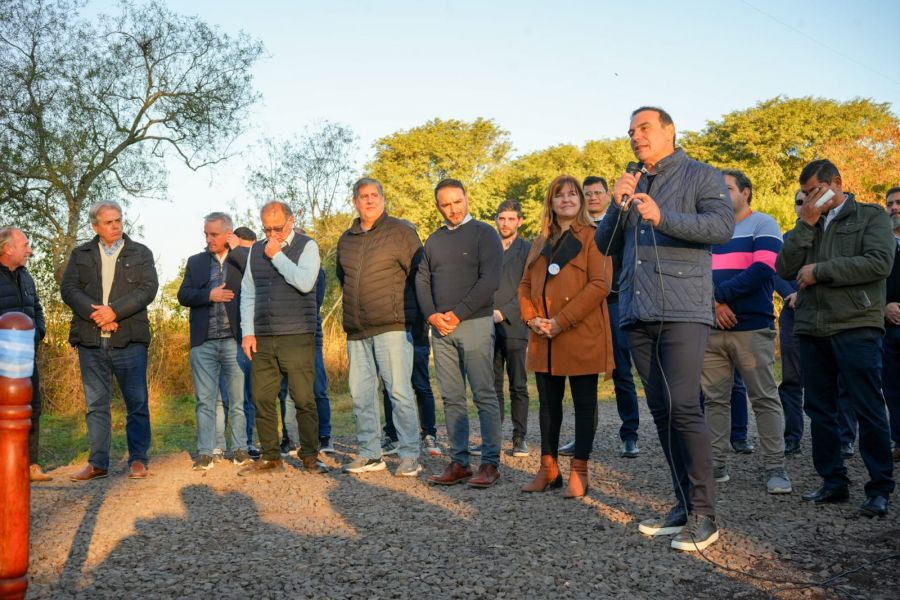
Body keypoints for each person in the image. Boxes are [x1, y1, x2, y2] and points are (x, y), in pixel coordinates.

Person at [595, 107, 733, 551]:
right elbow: (604, 245)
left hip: (683, 309)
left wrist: (662, 216)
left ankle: (705, 515)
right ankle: (683, 505)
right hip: (637, 311)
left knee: (684, 406)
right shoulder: (632, 180)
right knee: (660, 409)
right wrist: (617, 205)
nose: (635, 136)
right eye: (631, 131)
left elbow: (721, 227)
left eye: (644, 128)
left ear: (669, 131)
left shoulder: (701, 175)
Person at [776, 159, 894, 517]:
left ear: (836, 183)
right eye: (805, 193)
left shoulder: (871, 217)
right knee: (819, 408)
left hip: (856, 323)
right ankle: (833, 481)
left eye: (815, 190)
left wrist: (821, 271)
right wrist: (805, 225)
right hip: (812, 327)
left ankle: (879, 487)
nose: (809, 198)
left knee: (867, 406)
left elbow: (879, 263)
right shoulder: (806, 223)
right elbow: (784, 267)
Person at [519, 175, 613, 498]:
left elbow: (600, 285)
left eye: (573, 194)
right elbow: (524, 286)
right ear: (551, 202)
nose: (567, 200)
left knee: (584, 404)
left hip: (580, 333)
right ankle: (548, 469)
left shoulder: (595, 237)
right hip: (543, 336)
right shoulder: (539, 241)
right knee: (548, 405)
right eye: (560, 195)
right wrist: (531, 318)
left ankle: (579, 471)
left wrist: (561, 320)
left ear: (581, 201)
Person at [700, 170, 790, 494]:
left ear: (746, 192)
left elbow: (763, 268)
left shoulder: (763, 224)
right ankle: (717, 465)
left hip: (752, 327)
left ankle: (776, 467)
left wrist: (719, 296)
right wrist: (714, 304)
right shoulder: (707, 230)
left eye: (727, 189)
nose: (720, 195)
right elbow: (695, 272)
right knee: (715, 400)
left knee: (764, 397)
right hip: (711, 327)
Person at [62, 201, 159, 481]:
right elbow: (69, 289)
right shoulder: (80, 254)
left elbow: (148, 289)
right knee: (96, 405)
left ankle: (138, 459)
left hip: (129, 339)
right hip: (91, 340)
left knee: (137, 402)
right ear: (95, 226)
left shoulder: (140, 252)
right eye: (109, 222)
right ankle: (98, 463)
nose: (116, 226)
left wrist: (114, 311)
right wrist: (99, 315)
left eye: (118, 220)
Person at [417, 178, 504, 488]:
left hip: (475, 323)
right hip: (441, 329)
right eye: (445, 204)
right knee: (452, 397)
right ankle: (460, 462)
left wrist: (458, 313)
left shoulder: (485, 233)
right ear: (438, 207)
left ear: (466, 198)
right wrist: (432, 315)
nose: (452, 209)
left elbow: (489, 280)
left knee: (483, 394)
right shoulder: (433, 240)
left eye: (457, 201)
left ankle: (490, 463)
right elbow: (422, 280)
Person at [337, 177, 424, 477]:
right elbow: (343, 279)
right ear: (355, 202)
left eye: (374, 195)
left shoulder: (401, 232)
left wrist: (417, 319)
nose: (370, 200)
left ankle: (410, 454)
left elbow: (420, 274)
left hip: (393, 326)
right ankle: (370, 453)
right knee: (361, 394)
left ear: (383, 199)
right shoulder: (346, 239)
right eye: (364, 196)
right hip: (357, 330)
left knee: (399, 392)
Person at [238, 201, 325, 476]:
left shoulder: (307, 246)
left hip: (297, 334)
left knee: (303, 398)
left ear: (291, 221)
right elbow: (248, 292)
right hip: (263, 336)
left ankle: (310, 456)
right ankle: (270, 457)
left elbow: (305, 282)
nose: (272, 234)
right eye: (267, 229)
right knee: (261, 397)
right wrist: (247, 332)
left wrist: (277, 256)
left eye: (277, 228)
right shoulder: (255, 250)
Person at [177, 212, 252, 470]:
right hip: (203, 342)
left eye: (214, 234)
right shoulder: (196, 262)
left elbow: (255, 275)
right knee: (205, 401)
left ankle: (240, 449)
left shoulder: (242, 259)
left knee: (238, 400)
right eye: (206, 234)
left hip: (234, 341)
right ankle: (206, 452)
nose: (209, 239)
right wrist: (209, 295)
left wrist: (237, 249)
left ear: (228, 234)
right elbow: (183, 295)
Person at [582, 175, 640, 459]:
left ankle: (630, 435)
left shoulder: (619, 222)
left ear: (607, 195)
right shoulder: (578, 228)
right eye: (587, 193)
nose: (593, 197)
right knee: (583, 374)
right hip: (585, 306)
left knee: (621, 370)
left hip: (614, 301)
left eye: (597, 192)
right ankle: (583, 437)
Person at [0, 227, 50, 481]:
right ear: (8, 248)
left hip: (26, 355)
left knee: (32, 406)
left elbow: (37, 307)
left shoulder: (27, 277)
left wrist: (38, 331)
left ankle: (30, 465)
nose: (30, 250)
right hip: (2, 357)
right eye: (25, 245)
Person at [493, 200, 531, 457]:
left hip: (515, 325)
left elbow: (529, 287)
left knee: (518, 385)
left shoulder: (528, 249)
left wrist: (504, 312)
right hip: (487, 325)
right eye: (502, 218)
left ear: (519, 221)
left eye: (511, 219)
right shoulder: (488, 246)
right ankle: (493, 438)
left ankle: (520, 438)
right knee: (492, 386)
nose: (505, 223)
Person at [884, 186, 900, 464]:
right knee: (893, 389)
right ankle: (899, 440)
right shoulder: (879, 242)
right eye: (890, 204)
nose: (895, 207)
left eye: (899, 202)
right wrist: (883, 306)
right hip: (886, 323)